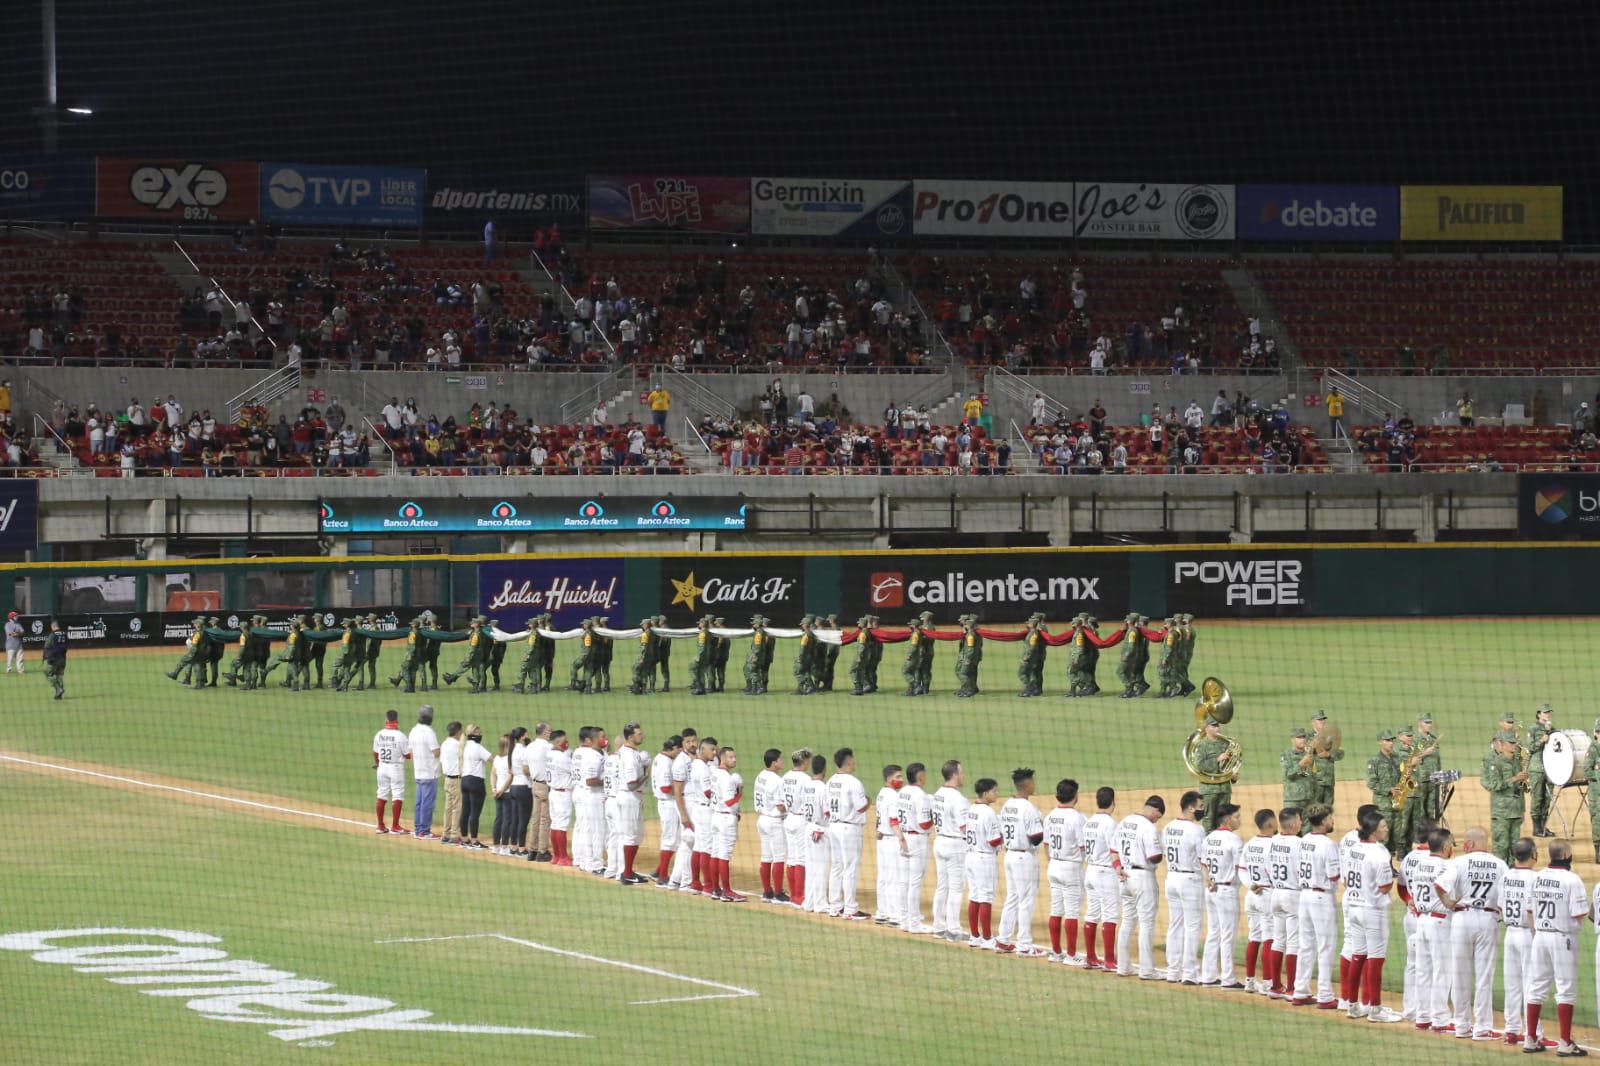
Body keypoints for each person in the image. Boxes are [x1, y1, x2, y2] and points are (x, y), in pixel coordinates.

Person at [1433, 825, 1506, 1041]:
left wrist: (1448, 902)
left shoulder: (1459, 862)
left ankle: (1462, 1025)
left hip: (1461, 919)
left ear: (1471, 844)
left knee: (1460, 974)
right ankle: (1482, 1027)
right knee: (1484, 976)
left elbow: (1439, 885)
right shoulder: (1500, 864)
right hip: (1488, 920)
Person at [1523, 838, 1587, 1055]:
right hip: (1563, 939)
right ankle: (1565, 1043)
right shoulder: (1572, 880)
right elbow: (1579, 913)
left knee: (1536, 986)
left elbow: (1530, 910)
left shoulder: (1537, 877)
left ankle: (1531, 1039)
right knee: (1565, 989)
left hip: (1540, 937)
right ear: (1567, 855)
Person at [1342, 808, 1404, 1022]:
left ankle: (1353, 1006)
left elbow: (1347, 879)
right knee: (1376, 959)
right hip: (1373, 911)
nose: (1387, 829)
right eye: (1383, 826)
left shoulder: (1353, 848)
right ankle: (1375, 1010)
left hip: (1354, 908)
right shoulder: (1379, 853)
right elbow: (1385, 886)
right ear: (1373, 831)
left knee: (1358, 956)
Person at [1292, 804, 1341, 1007]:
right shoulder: (1328, 845)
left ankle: (1300, 991)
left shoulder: (1303, 840)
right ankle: (1325, 995)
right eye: (1329, 818)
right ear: (1322, 821)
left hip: (1304, 896)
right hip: (1322, 898)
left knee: (1306, 945)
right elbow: (1334, 875)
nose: (1332, 821)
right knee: (1325, 946)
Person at [1407, 827, 1454, 1033]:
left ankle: (1423, 1016)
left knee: (1423, 971)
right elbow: (1453, 895)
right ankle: (1440, 1019)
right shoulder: (1446, 866)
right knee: (1442, 970)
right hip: (1440, 922)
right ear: (1445, 847)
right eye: (1451, 844)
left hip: (1421, 921)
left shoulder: (1419, 865)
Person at [1113, 794, 1164, 978]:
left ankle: (1123, 967)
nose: (1157, 819)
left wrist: (1117, 867)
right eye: (1158, 816)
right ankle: (1147, 970)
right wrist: (1162, 850)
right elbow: (1154, 857)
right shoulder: (1148, 827)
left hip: (1124, 876)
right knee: (1146, 923)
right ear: (1155, 809)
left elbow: (1113, 850)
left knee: (1127, 921)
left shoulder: (1125, 821)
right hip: (1142, 878)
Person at [996, 768, 1046, 956]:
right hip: (1024, 858)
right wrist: (1042, 824)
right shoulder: (1028, 808)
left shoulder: (1007, 805)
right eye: (1033, 781)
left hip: (1009, 855)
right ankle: (1024, 945)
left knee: (1013, 897)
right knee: (1026, 900)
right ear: (1028, 784)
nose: (1035, 784)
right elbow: (1036, 838)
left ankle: (1003, 939)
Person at [1040, 778, 1086, 965]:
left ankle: (1056, 952)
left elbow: (1045, 844)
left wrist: (1052, 862)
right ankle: (1071, 955)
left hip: (1054, 865)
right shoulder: (1078, 818)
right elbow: (1083, 846)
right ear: (1075, 796)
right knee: (1072, 912)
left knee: (1056, 910)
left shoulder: (1050, 816)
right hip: (1071, 867)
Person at [1162, 790, 1206, 984]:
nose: (1203, 810)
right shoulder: (1196, 830)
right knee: (1192, 927)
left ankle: (1173, 971)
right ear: (1190, 808)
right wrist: (1209, 879)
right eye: (1200, 806)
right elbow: (1202, 859)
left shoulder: (1168, 827)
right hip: (1190, 880)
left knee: (1175, 924)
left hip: (1171, 878)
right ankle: (1190, 973)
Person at [1199, 803, 1245, 989]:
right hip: (1226, 892)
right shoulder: (1234, 840)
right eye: (1237, 816)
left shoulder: (1209, 838)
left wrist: (1208, 880)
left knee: (1213, 932)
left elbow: (1203, 864)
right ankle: (1228, 978)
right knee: (1228, 935)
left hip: (1210, 890)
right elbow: (1241, 868)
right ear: (1227, 819)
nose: (1240, 820)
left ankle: (1208, 976)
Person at [1265, 807, 1304, 998]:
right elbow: (1301, 871)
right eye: (1300, 819)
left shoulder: (1271, 841)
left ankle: (1275, 986)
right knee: (1294, 942)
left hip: (1276, 894)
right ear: (1294, 823)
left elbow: (1267, 867)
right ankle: (1291, 989)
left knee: (1278, 939)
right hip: (1292, 895)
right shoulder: (1298, 843)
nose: (1301, 823)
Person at [826, 748, 869, 920]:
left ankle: (834, 906)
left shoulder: (830, 781)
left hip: (833, 826)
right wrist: (869, 800)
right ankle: (850, 908)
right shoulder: (853, 782)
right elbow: (861, 806)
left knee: (837, 866)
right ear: (849, 761)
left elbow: (827, 809)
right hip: (849, 829)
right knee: (850, 868)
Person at [930, 759, 970, 940]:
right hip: (955, 845)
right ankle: (953, 929)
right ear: (954, 774)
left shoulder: (937, 794)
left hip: (939, 841)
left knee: (942, 886)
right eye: (961, 772)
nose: (963, 775)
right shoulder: (958, 798)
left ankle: (938, 926)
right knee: (956, 888)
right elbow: (965, 827)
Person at [963, 777, 1003, 950]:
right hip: (984, 859)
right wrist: (1004, 837)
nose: (996, 793)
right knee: (986, 897)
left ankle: (975, 936)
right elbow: (993, 841)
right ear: (986, 793)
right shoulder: (988, 812)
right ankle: (987, 938)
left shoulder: (971, 809)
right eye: (994, 791)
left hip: (971, 856)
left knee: (974, 896)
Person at [1082, 786, 1120, 971]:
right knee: (1110, 915)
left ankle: (1090, 957)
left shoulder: (1089, 822)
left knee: (1092, 914)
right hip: (1105, 873)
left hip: (1090, 871)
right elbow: (1114, 850)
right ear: (1113, 802)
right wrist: (1120, 868)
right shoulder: (1110, 823)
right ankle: (1110, 961)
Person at [1240, 808, 1277, 993]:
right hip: (1267, 894)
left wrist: (1251, 885)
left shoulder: (1249, 844)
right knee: (1269, 938)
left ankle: (1249, 981)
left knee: (1254, 937)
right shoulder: (1273, 845)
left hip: (1252, 895)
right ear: (1270, 824)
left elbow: (1241, 870)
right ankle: (1268, 982)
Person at [894, 762, 934, 934]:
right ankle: (915, 923)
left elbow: (894, 818)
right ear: (920, 776)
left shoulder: (902, 792)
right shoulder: (920, 795)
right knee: (915, 883)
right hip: (917, 840)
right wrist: (935, 816)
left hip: (903, 838)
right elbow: (924, 824)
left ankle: (904, 921)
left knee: (904, 881)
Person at [1483, 729, 1529, 864]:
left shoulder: (1518, 762)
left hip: (1516, 810)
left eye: (1515, 743)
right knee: (1501, 847)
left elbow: (1520, 787)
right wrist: (1514, 779)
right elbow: (1493, 785)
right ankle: (1499, 873)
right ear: (1502, 745)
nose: (1514, 745)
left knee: (1515, 847)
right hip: (1502, 812)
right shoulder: (1495, 763)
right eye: (1511, 743)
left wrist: (1524, 782)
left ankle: (1511, 871)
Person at [753, 748, 789, 904]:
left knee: (766, 858)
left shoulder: (760, 776)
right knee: (779, 858)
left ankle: (767, 892)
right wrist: (792, 810)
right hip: (774, 821)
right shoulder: (777, 780)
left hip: (762, 820)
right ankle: (779, 893)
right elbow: (780, 806)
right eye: (780, 759)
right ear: (774, 763)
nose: (783, 761)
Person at [614, 723, 648, 885]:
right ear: (630, 737)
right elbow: (632, 783)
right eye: (638, 734)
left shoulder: (630, 752)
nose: (642, 736)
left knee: (635, 835)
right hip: (629, 796)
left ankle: (628, 871)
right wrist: (646, 774)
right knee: (631, 836)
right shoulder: (628, 755)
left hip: (630, 796)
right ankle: (626, 873)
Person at [708, 746, 744, 901]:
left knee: (715, 853)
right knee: (724, 855)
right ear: (722, 759)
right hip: (726, 819)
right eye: (730, 757)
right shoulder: (726, 778)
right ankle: (727, 892)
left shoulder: (715, 773)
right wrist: (740, 791)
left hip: (716, 816)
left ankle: (716, 889)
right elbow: (730, 802)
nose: (734, 760)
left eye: (734, 757)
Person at [872, 764, 905, 926]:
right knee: (894, 878)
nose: (901, 780)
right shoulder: (893, 796)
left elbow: (879, 818)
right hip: (891, 839)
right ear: (888, 778)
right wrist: (901, 838)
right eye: (898, 777)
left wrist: (878, 829)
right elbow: (893, 820)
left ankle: (882, 912)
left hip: (882, 839)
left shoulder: (882, 793)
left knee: (884, 877)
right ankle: (895, 916)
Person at [665, 728, 699, 890]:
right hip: (687, 803)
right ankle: (686, 882)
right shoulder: (680, 762)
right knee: (690, 841)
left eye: (694, 741)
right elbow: (677, 792)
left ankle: (675, 880)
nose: (692, 744)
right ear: (683, 743)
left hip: (697, 803)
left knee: (687, 843)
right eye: (688, 741)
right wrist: (684, 815)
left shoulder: (698, 757)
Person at [572, 726, 607, 871]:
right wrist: (609, 781)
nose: (605, 739)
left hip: (582, 792)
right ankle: (595, 863)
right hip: (591, 794)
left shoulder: (580, 752)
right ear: (592, 740)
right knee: (596, 830)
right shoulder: (592, 756)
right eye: (602, 737)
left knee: (584, 828)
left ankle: (582, 860)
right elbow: (591, 781)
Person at [372, 709, 412, 835]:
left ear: (386, 720)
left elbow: (375, 753)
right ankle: (395, 826)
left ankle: (380, 826)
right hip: (396, 768)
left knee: (381, 794)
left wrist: (377, 764)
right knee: (397, 794)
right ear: (397, 721)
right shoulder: (400, 736)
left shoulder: (379, 734)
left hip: (382, 767)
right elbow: (408, 755)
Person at [780, 748, 812, 906]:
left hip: (789, 818)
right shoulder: (806, 779)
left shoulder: (785, 777)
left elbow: (781, 803)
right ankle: (800, 897)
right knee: (801, 859)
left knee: (791, 859)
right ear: (804, 761)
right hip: (801, 820)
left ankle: (794, 896)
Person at [801, 753, 832, 915]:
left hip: (808, 827)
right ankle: (820, 904)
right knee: (821, 868)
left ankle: (809, 902)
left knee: (811, 868)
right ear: (824, 769)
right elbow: (827, 812)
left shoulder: (807, 785)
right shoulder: (823, 787)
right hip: (819, 830)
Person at [1365, 729, 1404, 857]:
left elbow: (1403, 777)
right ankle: (1382, 860)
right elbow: (1371, 783)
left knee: (1396, 835)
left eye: (1392, 740)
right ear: (1380, 742)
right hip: (1383, 806)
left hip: (1397, 803)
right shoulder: (1374, 761)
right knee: (1383, 836)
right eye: (1387, 740)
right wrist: (1388, 790)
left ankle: (1392, 860)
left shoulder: (1397, 759)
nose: (1391, 743)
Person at [1193, 716, 1235, 832]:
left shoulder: (1225, 744)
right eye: (1214, 725)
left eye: (1218, 725)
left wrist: (1233, 776)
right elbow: (1200, 766)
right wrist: (1217, 760)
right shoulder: (1202, 745)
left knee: (1224, 820)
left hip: (1224, 789)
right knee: (1209, 820)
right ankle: (1208, 841)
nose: (1217, 728)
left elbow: (1231, 764)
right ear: (1207, 728)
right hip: (1209, 790)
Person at [409, 706, 442, 839]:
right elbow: (436, 752)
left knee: (419, 802)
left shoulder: (414, 730)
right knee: (427, 803)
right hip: (429, 773)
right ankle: (424, 831)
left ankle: (418, 829)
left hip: (418, 772)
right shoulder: (429, 732)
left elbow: (410, 753)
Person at [523, 721, 553, 861]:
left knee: (535, 818)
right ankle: (542, 851)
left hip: (534, 784)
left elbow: (525, 768)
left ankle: (532, 851)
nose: (550, 733)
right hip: (545, 786)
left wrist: (536, 773)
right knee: (544, 819)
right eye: (549, 731)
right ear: (545, 732)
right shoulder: (548, 747)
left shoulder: (529, 746)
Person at [458, 724, 490, 849]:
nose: (480, 734)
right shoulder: (478, 747)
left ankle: (464, 839)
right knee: (475, 813)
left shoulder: (464, 746)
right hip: (476, 782)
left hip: (464, 781)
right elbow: (492, 759)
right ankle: (475, 841)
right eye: (478, 732)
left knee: (465, 811)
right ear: (473, 734)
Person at [545, 730, 574, 866]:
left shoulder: (549, 754)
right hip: (563, 794)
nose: (567, 743)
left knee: (555, 824)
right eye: (564, 741)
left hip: (553, 792)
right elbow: (576, 771)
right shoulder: (562, 758)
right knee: (561, 826)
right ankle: (563, 857)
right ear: (557, 742)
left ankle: (556, 856)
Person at [1528, 704, 1557, 838]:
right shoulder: (1533, 729)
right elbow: (1530, 748)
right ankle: (1536, 828)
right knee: (1537, 798)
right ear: (1539, 714)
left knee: (1547, 798)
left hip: (1550, 768)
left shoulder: (1552, 729)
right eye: (1545, 712)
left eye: (1549, 712)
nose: (1547, 714)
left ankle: (1543, 827)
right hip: (1537, 768)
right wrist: (1541, 740)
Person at [1309, 710, 1343, 809]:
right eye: (1319, 720)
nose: (1322, 721)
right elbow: (1304, 753)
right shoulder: (1307, 736)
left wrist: (1329, 754)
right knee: (1315, 810)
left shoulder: (1330, 736)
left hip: (1329, 779)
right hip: (1315, 781)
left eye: (1323, 719)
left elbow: (1340, 754)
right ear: (1313, 722)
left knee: (1328, 810)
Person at [507, 728, 533, 857]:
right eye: (526, 734)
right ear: (522, 736)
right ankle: (521, 848)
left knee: (515, 819)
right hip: (524, 787)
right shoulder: (524, 750)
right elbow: (526, 770)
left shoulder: (512, 749)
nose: (528, 736)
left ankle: (513, 847)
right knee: (523, 819)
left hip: (513, 787)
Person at [1280, 728, 1316, 818]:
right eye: (1299, 737)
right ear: (1293, 739)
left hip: (1309, 799)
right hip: (1293, 800)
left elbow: (1311, 774)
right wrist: (1301, 763)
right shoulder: (1286, 755)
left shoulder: (1309, 754)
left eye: (1304, 737)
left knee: (1309, 826)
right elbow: (1288, 775)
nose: (1302, 740)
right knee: (1292, 825)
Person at [439, 721, 464, 846]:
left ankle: (445, 834)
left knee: (448, 808)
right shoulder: (458, 745)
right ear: (458, 731)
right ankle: (454, 835)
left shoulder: (444, 743)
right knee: (456, 808)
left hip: (447, 780)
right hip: (456, 780)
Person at [490, 733, 514, 854]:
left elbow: (492, 774)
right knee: (507, 820)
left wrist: (494, 789)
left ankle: (495, 846)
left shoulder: (497, 758)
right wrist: (502, 790)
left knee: (498, 819)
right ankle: (504, 847)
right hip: (507, 792)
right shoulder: (510, 759)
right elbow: (510, 777)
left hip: (498, 793)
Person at [953, 614, 982, 698]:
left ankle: (968, 689)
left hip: (968, 656)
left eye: (962, 620)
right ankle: (967, 688)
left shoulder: (970, 634)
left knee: (963, 673)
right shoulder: (972, 632)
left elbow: (970, 648)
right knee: (968, 672)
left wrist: (967, 658)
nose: (960, 621)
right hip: (969, 655)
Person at [42, 619, 67, 700]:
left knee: (47, 673)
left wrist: (45, 657)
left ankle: (58, 689)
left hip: (54, 659)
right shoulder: (64, 634)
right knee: (59, 676)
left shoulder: (52, 635)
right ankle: (59, 695)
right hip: (63, 659)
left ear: (53, 626)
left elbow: (47, 646)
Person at [5, 611, 25, 675]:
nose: (17, 617)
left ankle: (20, 671)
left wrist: (17, 633)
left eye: (16, 616)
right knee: (10, 659)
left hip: (19, 644)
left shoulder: (18, 624)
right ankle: (9, 671)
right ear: (11, 617)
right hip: (11, 645)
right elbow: (11, 634)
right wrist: (18, 632)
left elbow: (23, 632)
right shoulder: (7, 624)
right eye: (15, 616)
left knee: (20, 659)